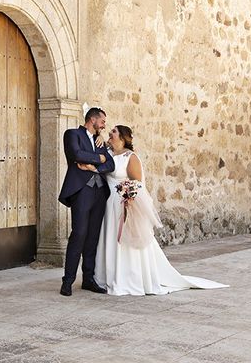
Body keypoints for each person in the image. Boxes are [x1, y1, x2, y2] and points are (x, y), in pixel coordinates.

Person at [81, 125, 228, 295]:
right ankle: (106, 277)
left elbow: (137, 183)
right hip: (108, 204)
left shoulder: (131, 157)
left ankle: (129, 277)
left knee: (125, 242)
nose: (110, 133)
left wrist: (129, 199)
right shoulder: (109, 154)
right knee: (110, 238)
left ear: (122, 138)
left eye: (113, 132)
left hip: (123, 204)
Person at [58, 107, 115, 297]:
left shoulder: (100, 141)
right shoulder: (72, 134)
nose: (104, 125)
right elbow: (76, 154)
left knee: (93, 237)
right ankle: (67, 281)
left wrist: (95, 167)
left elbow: (111, 164)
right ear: (92, 119)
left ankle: (88, 279)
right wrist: (99, 157)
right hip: (81, 191)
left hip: (99, 192)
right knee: (79, 234)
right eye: (102, 121)